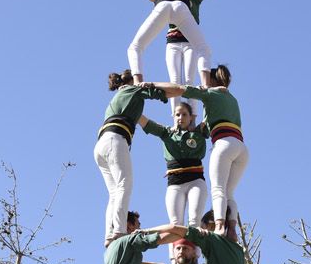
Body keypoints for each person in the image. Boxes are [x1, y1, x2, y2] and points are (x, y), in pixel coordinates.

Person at [160, 71, 244, 233]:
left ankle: (219, 226)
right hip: (241, 147)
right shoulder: (231, 98)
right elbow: (206, 122)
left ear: (211, 80)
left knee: (218, 189)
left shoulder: (210, 93)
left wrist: (152, 85)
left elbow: (179, 88)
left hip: (224, 143)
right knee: (229, 192)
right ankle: (232, 230)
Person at [96, 70, 169, 243]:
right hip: (115, 140)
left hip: (101, 145)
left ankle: (109, 234)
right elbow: (162, 91)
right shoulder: (132, 90)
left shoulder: (121, 98)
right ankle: (119, 231)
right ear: (133, 80)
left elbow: (145, 122)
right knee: (124, 185)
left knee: (114, 193)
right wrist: (185, 89)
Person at [128, 0, 215, 87]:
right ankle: (205, 85)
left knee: (136, 47)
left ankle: (138, 81)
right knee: (203, 48)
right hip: (181, 6)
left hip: (163, 4)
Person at [142, 103, 211, 229]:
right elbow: (146, 123)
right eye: (177, 114)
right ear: (173, 117)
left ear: (191, 117)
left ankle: (195, 248)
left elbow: (211, 114)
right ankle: (176, 248)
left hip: (195, 181)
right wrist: (132, 106)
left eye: (184, 114)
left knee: (194, 223)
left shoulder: (199, 131)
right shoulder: (167, 132)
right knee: (175, 225)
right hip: (175, 183)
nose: (181, 117)